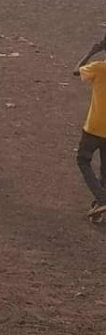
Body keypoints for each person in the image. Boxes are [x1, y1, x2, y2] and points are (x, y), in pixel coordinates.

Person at [73, 34, 106, 221]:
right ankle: (98, 205)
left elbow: (76, 71)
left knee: (83, 160)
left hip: (94, 126)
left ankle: (102, 199)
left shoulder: (98, 68)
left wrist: (91, 52)